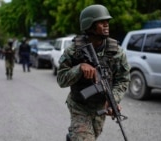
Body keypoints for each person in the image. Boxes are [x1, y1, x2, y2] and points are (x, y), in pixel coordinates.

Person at [56, 4, 131, 141]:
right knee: (85, 138)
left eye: (107, 21)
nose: (106, 25)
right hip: (79, 105)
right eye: (101, 22)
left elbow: (123, 79)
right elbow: (61, 80)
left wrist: (112, 99)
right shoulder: (73, 51)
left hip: (100, 107)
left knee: (91, 136)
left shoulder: (116, 52)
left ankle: (72, 137)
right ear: (89, 25)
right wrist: (79, 68)